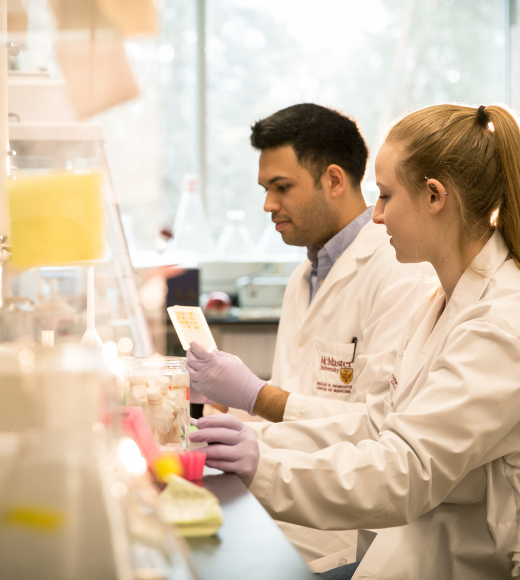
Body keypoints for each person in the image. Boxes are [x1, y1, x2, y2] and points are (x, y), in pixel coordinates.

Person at [189, 103, 520, 579]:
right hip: (410, 545)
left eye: (385, 196)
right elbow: (376, 425)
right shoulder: (445, 303)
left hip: (469, 562)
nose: (375, 216)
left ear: (435, 196)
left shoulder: (504, 324)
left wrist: (264, 463)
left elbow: (406, 471)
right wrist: (252, 436)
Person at [186, 103, 436, 568]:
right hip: (285, 508)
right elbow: (296, 413)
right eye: (265, 189)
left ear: (335, 181)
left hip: (350, 534)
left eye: (282, 188)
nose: (267, 205)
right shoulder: (306, 274)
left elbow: (379, 429)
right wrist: (233, 419)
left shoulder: (401, 272)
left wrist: (258, 398)